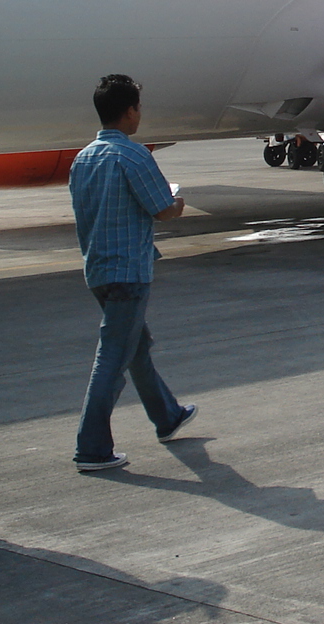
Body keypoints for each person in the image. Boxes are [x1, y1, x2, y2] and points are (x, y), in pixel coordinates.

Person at [69, 74, 196, 472]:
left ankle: (167, 415)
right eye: (138, 108)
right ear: (129, 111)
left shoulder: (83, 158)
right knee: (113, 355)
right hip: (129, 270)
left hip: (98, 269)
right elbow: (160, 208)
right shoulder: (133, 155)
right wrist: (177, 204)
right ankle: (91, 447)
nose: (140, 115)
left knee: (135, 346)